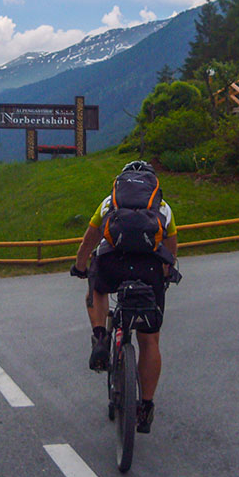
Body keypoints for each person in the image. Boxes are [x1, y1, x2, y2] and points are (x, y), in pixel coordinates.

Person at [71, 160, 178, 434]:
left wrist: (81, 267)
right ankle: (145, 406)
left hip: (113, 263)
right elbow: (170, 249)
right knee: (149, 339)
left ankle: (100, 337)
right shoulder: (162, 208)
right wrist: (165, 274)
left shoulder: (109, 202)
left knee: (97, 288)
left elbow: (89, 241)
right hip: (149, 269)